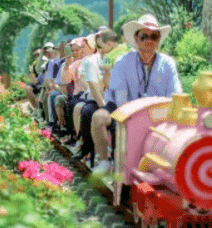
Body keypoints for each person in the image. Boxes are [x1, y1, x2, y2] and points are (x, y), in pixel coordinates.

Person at [90, 14, 182, 175]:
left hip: (157, 111)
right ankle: (105, 161)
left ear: (159, 40)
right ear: (136, 38)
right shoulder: (122, 62)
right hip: (124, 108)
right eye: (144, 36)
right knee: (98, 117)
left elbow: (175, 96)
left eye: (154, 36)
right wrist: (137, 117)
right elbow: (121, 99)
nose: (149, 40)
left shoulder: (168, 63)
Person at [74, 28, 120, 161]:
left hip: (117, 99)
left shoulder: (120, 56)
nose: (99, 49)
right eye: (97, 46)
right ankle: (87, 149)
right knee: (88, 112)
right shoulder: (91, 60)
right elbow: (93, 86)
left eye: (100, 46)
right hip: (99, 98)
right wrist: (103, 105)